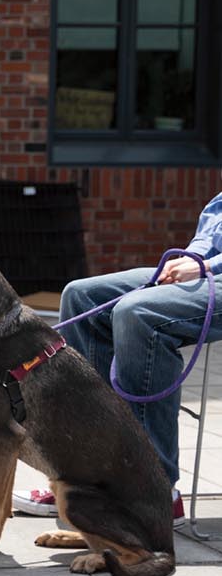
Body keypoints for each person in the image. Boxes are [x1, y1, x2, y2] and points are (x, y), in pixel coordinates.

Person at [13, 191, 222, 528]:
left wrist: (206, 266)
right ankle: (85, 479)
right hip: (209, 273)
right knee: (81, 295)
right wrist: (191, 260)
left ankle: (155, 491)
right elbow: (212, 228)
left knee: (138, 313)